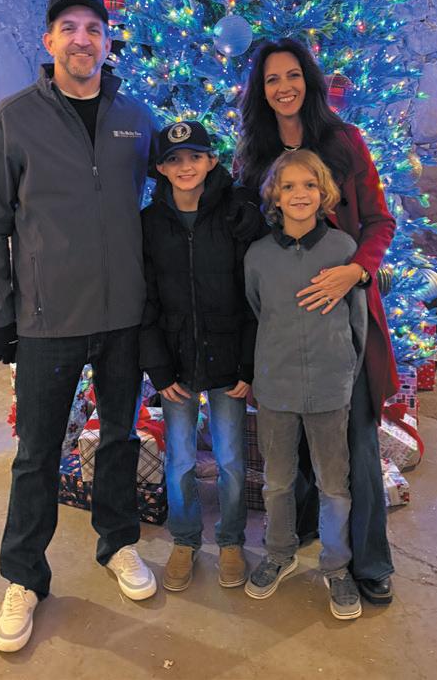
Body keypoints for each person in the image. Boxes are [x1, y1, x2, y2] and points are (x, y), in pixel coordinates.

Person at [0, 0, 158, 653]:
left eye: (94, 29)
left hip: (123, 315)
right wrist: (0, 313)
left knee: (119, 439)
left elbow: (171, 195)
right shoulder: (13, 120)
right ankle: (24, 575)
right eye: (69, 27)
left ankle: (118, 542)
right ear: (49, 41)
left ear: (107, 42)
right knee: (37, 453)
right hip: (46, 320)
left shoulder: (135, 117)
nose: (83, 39)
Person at [236, 37, 399, 606]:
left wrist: (355, 270)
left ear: (309, 80)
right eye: (271, 79)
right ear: (261, 91)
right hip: (286, 330)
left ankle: (368, 561)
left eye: (292, 75)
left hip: (342, 318)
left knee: (355, 448)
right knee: (290, 457)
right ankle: (298, 538)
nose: (284, 87)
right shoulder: (254, 156)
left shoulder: (345, 141)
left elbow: (380, 220)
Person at [244, 149, 367, 619]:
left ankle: (336, 565)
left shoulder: (343, 250)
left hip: (330, 385)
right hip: (275, 387)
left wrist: (345, 369)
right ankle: (279, 551)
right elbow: (258, 310)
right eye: (289, 186)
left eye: (309, 185)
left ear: (323, 193)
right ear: (275, 196)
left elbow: (357, 321)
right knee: (277, 481)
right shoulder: (258, 256)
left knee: (334, 483)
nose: (300, 194)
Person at [140, 121, 257, 593]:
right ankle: (185, 539)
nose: (184, 167)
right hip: (176, 361)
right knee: (181, 459)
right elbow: (145, 298)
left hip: (228, 359)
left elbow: (252, 295)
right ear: (161, 169)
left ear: (211, 161)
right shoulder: (149, 224)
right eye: (173, 160)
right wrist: (158, 366)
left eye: (194, 157)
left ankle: (230, 539)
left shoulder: (235, 215)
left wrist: (248, 364)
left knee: (230, 458)